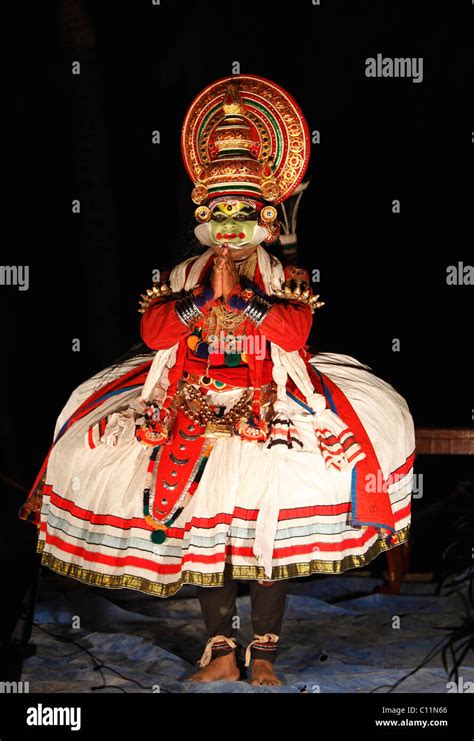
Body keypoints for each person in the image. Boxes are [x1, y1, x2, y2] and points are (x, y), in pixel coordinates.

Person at [19, 74, 415, 686]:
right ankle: (220, 652)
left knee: (266, 548)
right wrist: (204, 300)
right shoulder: (184, 273)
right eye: (220, 213)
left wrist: (250, 303)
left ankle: (265, 656)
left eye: (243, 213)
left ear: (264, 217)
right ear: (205, 216)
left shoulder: (285, 276)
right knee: (210, 545)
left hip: (268, 413)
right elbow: (154, 336)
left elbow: (294, 336)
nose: (230, 226)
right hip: (193, 411)